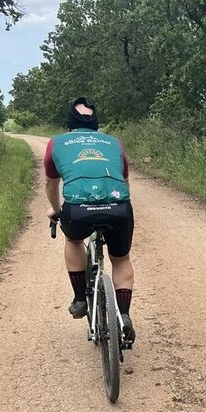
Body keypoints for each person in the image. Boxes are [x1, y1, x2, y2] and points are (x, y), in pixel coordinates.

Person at [43, 97, 136, 343]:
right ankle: (123, 315)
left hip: (78, 210)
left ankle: (80, 300)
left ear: (69, 123)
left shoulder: (57, 143)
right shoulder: (114, 143)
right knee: (121, 258)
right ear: (96, 122)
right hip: (118, 207)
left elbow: (51, 184)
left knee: (74, 241)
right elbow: (125, 182)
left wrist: (56, 210)